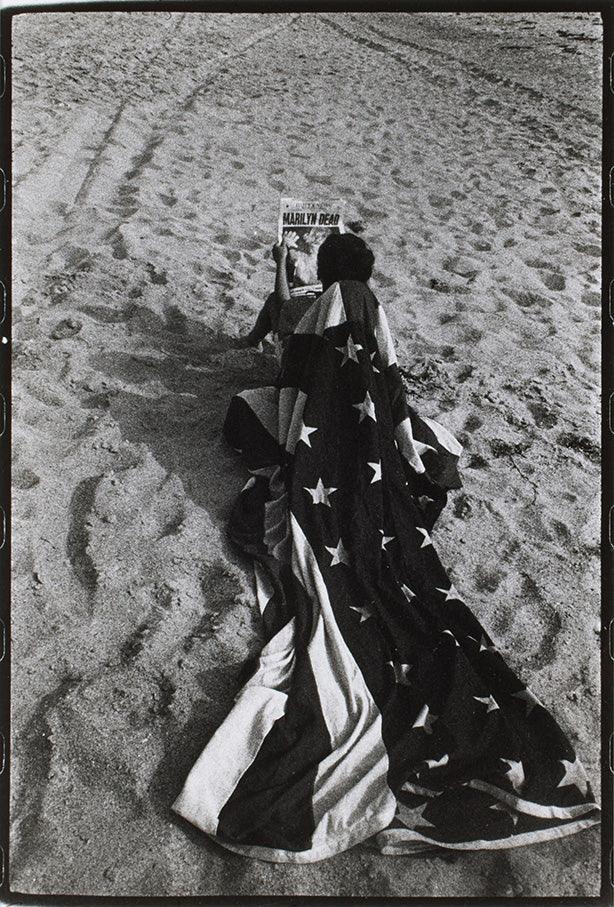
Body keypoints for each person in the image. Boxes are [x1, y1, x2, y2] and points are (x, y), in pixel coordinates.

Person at [173, 234, 599, 862]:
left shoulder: (317, 309)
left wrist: (282, 279)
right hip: (372, 434)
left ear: (323, 271)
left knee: (244, 411)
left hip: (320, 440)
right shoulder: (370, 308)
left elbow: (289, 363)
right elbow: (390, 388)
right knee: (431, 451)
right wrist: (402, 447)